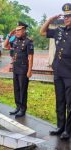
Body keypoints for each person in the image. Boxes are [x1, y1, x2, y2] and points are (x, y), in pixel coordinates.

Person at [40, 3, 71, 140]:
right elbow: (41, 32)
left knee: (70, 103)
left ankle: (68, 131)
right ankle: (60, 127)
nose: (66, 18)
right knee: (60, 101)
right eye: (65, 16)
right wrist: (50, 20)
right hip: (58, 71)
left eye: (69, 16)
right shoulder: (59, 30)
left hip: (70, 73)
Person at [4, 22, 34, 118]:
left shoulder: (29, 42)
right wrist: (9, 35)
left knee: (23, 89)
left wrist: (30, 70)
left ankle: (22, 109)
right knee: (16, 88)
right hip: (16, 68)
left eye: (19, 30)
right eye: (16, 30)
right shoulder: (15, 39)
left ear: (24, 30)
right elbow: (5, 46)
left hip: (24, 68)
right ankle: (17, 107)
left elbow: (31, 57)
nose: (17, 31)